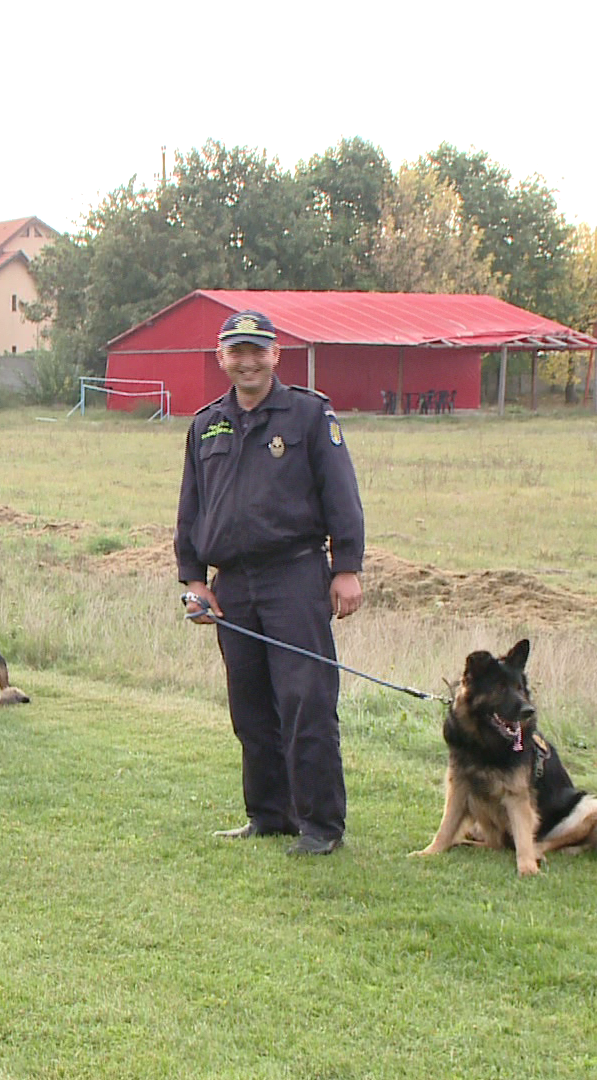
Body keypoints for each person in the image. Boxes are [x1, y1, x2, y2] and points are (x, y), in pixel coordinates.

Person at [176, 310, 365, 856]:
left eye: (257, 350)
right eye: (236, 351)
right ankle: (269, 814)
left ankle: (321, 825)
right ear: (221, 358)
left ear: (276, 354)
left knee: (305, 700)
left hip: (295, 577)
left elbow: (341, 495)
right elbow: (192, 508)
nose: (247, 360)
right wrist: (193, 578)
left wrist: (346, 566)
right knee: (250, 705)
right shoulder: (206, 423)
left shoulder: (308, 414)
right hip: (232, 586)